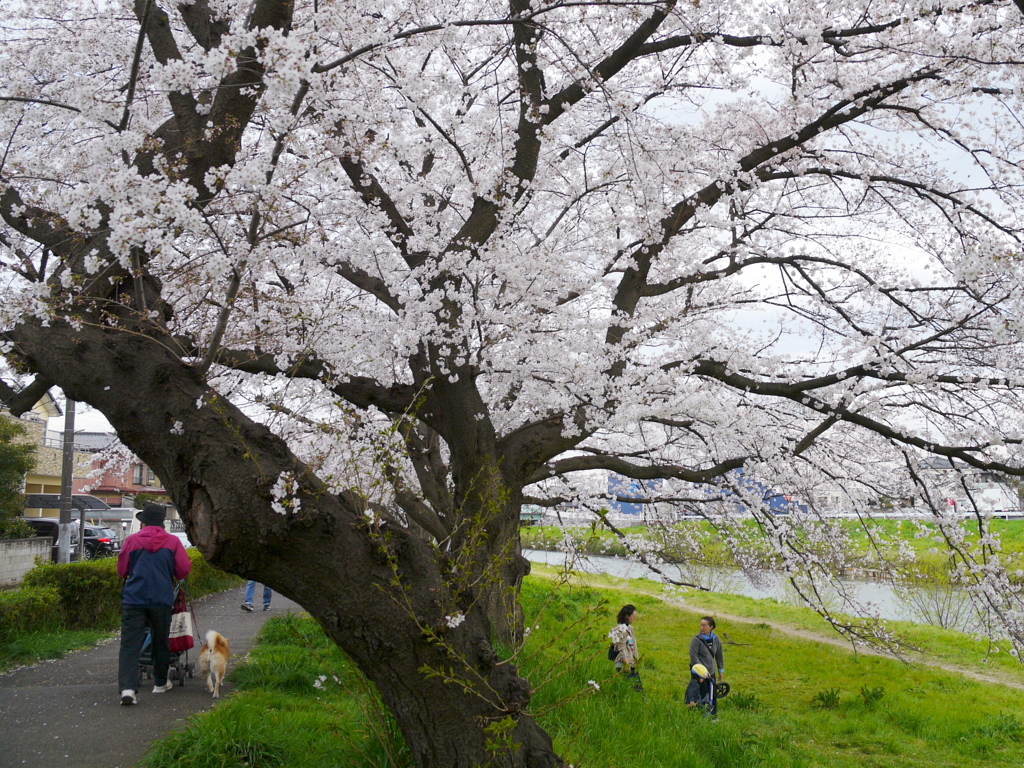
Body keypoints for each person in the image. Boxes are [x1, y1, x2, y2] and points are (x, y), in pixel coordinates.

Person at [117, 504, 192, 706]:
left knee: (130, 644)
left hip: (134, 599)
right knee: (161, 641)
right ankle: (160, 682)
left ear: (143, 522)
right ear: (162, 522)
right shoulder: (173, 542)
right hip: (161, 599)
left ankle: (127, 688)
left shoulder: (132, 541)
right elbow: (183, 570)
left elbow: (122, 569)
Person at [610, 604, 643, 691]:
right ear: (627, 616)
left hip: (632, 662)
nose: (634, 618)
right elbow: (622, 648)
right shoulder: (621, 630)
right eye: (633, 616)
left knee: (637, 688)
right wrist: (626, 664)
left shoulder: (630, 629)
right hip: (625, 664)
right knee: (634, 689)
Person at [689, 615, 724, 686]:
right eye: (701, 625)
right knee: (701, 694)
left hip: (711, 672)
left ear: (711, 627)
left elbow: (719, 655)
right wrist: (702, 672)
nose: (702, 627)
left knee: (712, 694)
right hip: (699, 674)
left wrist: (720, 670)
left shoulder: (716, 639)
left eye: (704, 626)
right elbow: (694, 657)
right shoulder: (696, 640)